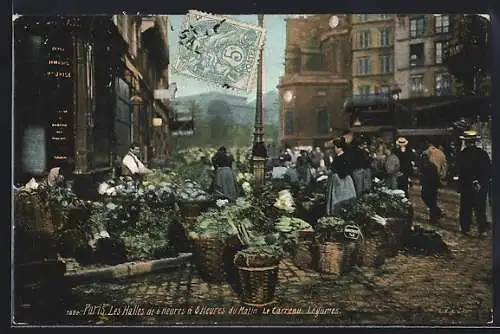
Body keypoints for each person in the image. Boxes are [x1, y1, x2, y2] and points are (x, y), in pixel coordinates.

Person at [456, 130, 491, 237]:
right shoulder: (483, 154)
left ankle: (466, 228)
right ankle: (482, 229)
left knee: (466, 207)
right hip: (480, 185)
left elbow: (460, 171)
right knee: (480, 207)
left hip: (467, 185)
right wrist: (480, 182)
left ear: (466, 142)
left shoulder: (462, 155)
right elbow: (488, 170)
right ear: (475, 141)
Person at [326, 138, 357, 216]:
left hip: (341, 181)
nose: (334, 149)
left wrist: (333, 172)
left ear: (339, 147)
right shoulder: (342, 156)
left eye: (335, 147)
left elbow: (342, 169)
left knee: (339, 199)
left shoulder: (342, 157)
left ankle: (338, 213)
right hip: (343, 180)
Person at [419, 153, 442, 223]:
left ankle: (434, 218)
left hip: (431, 186)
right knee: (428, 199)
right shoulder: (425, 166)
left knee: (431, 202)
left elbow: (432, 177)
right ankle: (437, 212)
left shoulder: (431, 166)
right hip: (428, 185)